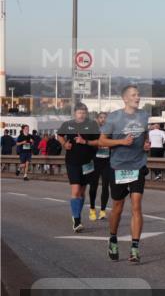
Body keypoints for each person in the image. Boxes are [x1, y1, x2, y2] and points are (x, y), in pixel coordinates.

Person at [98, 86, 151, 263]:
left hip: (138, 165)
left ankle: (135, 248)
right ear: (125, 99)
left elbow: (145, 134)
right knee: (118, 207)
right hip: (118, 167)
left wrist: (146, 144)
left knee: (136, 205)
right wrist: (121, 141)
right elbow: (102, 140)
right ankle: (113, 238)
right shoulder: (114, 117)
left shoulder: (143, 115)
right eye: (134, 95)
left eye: (139, 94)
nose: (138, 97)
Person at [56, 104, 101, 232]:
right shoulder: (67, 124)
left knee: (82, 192)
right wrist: (64, 143)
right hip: (72, 162)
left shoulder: (92, 125)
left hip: (87, 163)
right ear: (75, 113)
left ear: (86, 113)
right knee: (75, 190)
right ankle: (77, 221)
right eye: (79, 112)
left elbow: (98, 141)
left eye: (83, 112)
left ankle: (77, 215)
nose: (81, 114)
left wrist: (84, 142)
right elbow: (59, 135)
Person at [88, 112, 112, 220]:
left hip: (107, 162)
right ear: (97, 119)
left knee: (106, 186)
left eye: (105, 118)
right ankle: (92, 209)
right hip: (95, 162)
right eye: (101, 118)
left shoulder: (111, 132)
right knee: (93, 187)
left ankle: (103, 210)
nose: (103, 120)